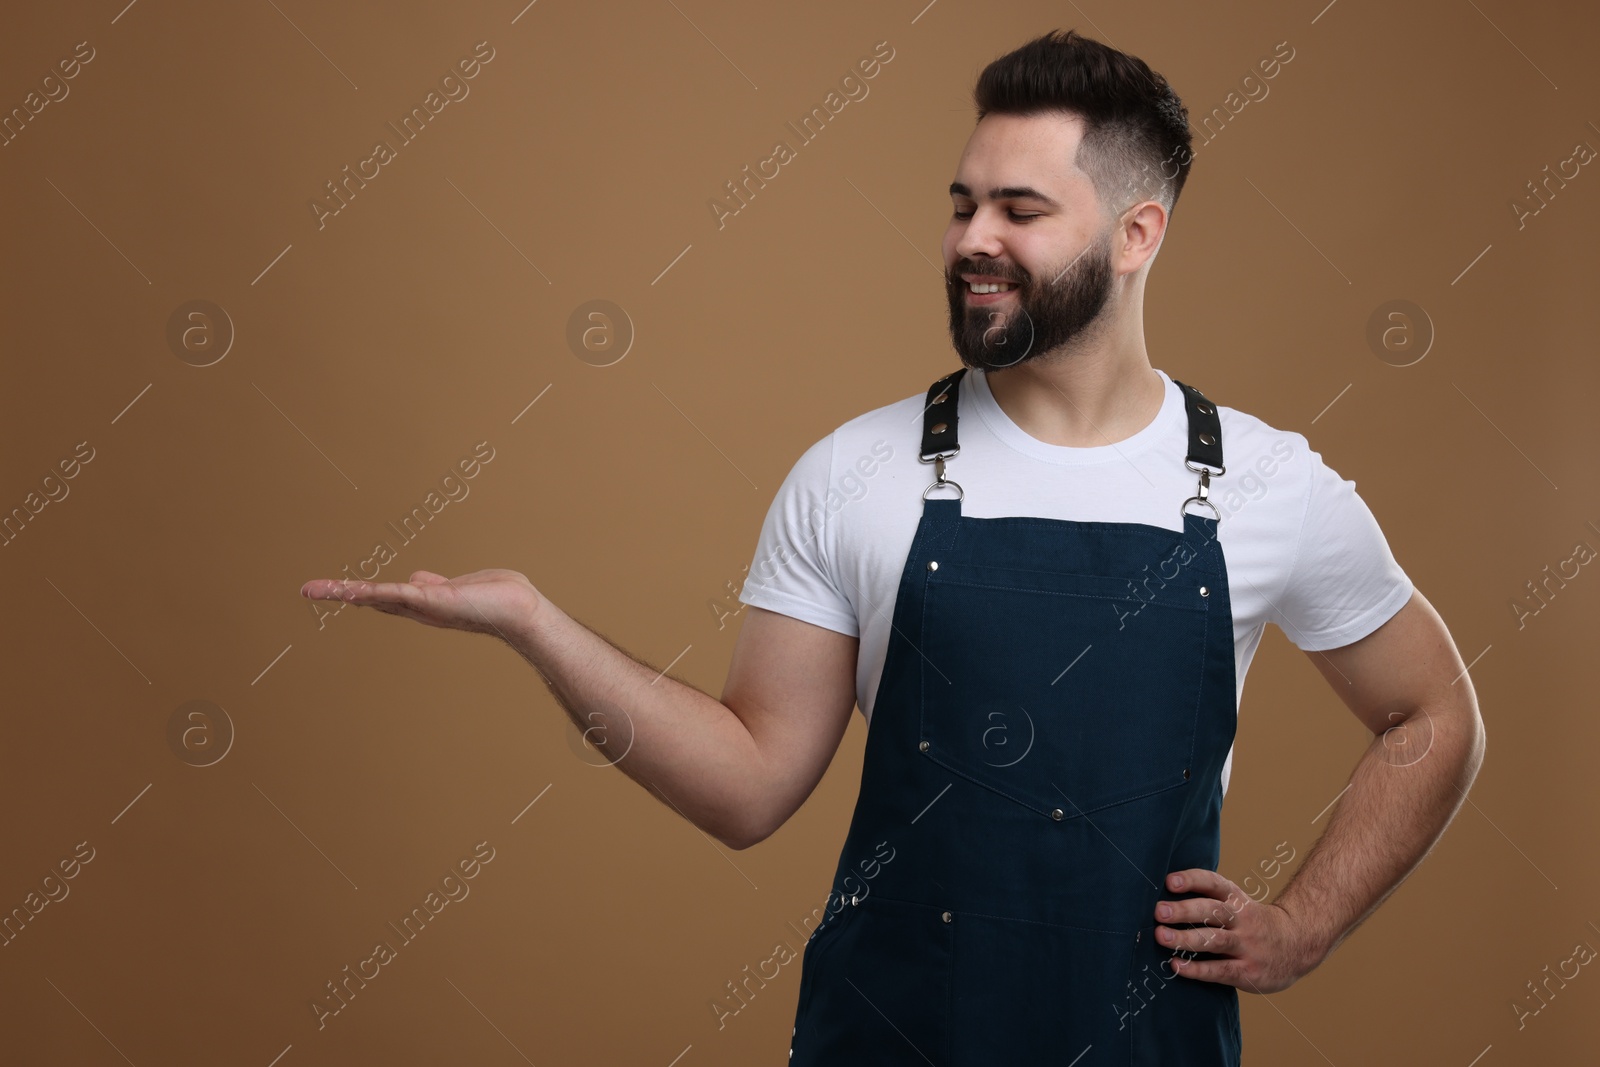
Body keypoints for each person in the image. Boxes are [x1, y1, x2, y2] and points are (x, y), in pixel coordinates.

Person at [301, 28, 1485, 1066]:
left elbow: (1434, 717)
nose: (973, 237)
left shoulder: (1265, 482)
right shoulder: (854, 474)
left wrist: (1304, 923)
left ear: (1136, 234)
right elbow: (748, 783)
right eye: (963, 202)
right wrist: (535, 623)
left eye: (1020, 211)